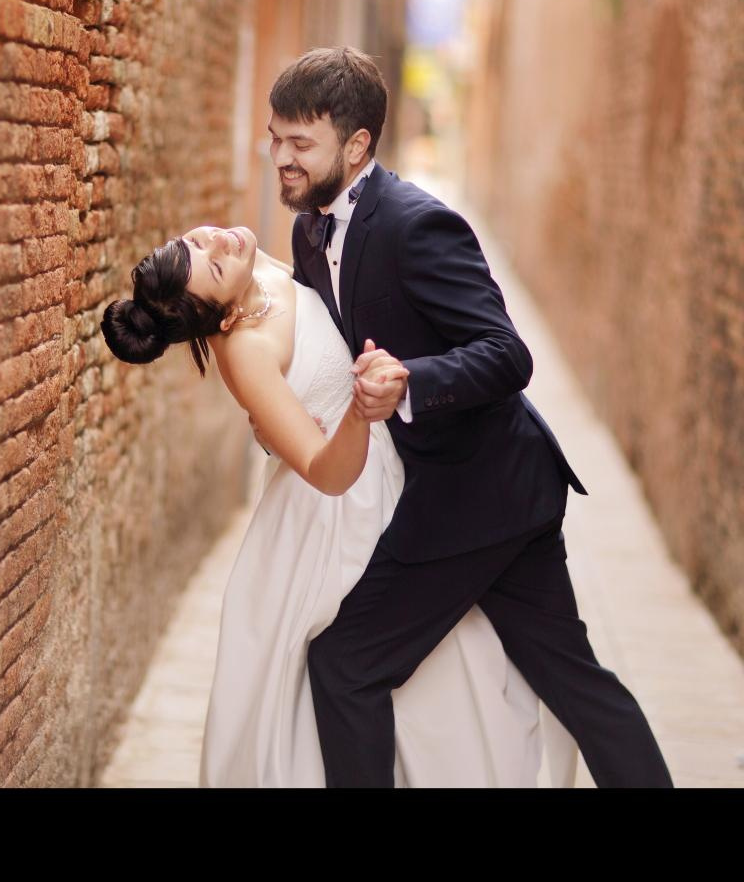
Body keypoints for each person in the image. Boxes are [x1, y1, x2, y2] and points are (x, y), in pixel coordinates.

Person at [261, 45, 673, 787]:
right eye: (274, 138)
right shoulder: (307, 230)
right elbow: (319, 346)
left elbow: (507, 354)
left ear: (356, 146)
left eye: (299, 144)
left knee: (346, 663)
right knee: (574, 680)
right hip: (506, 494)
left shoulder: (418, 225)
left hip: (472, 491)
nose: (280, 158)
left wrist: (408, 382)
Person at [102, 223, 581, 786]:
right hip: (337, 516)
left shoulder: (260, 271)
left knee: (456, 658)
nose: (218, 244)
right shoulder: (248, 350)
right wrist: (358, 411)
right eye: (211, 265)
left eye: (197, 241)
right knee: (373, 669)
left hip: (395, 467)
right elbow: (325, 473)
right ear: (225, 319)